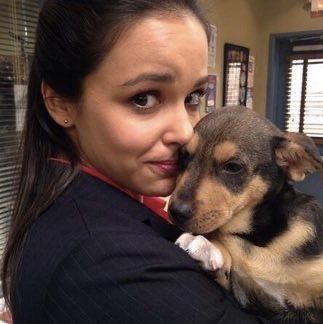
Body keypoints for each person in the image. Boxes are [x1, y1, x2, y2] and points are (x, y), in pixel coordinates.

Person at [1, 1, 270, 323]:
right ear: (61, 104)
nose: (186, 133)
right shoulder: (109, 260)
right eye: (144, 99)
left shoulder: (90, 201)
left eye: (193, 97)